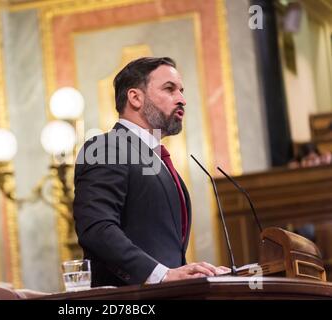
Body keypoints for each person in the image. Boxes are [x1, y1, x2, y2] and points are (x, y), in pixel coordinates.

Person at [73, 57, 230, 287]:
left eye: (182, 91)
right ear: (135, 97)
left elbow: (159, 246)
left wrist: (193, 275)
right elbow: (97, 229)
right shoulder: (106, 148)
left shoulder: (156, 156)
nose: (182, 100)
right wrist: (162, 275)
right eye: (169, 89)